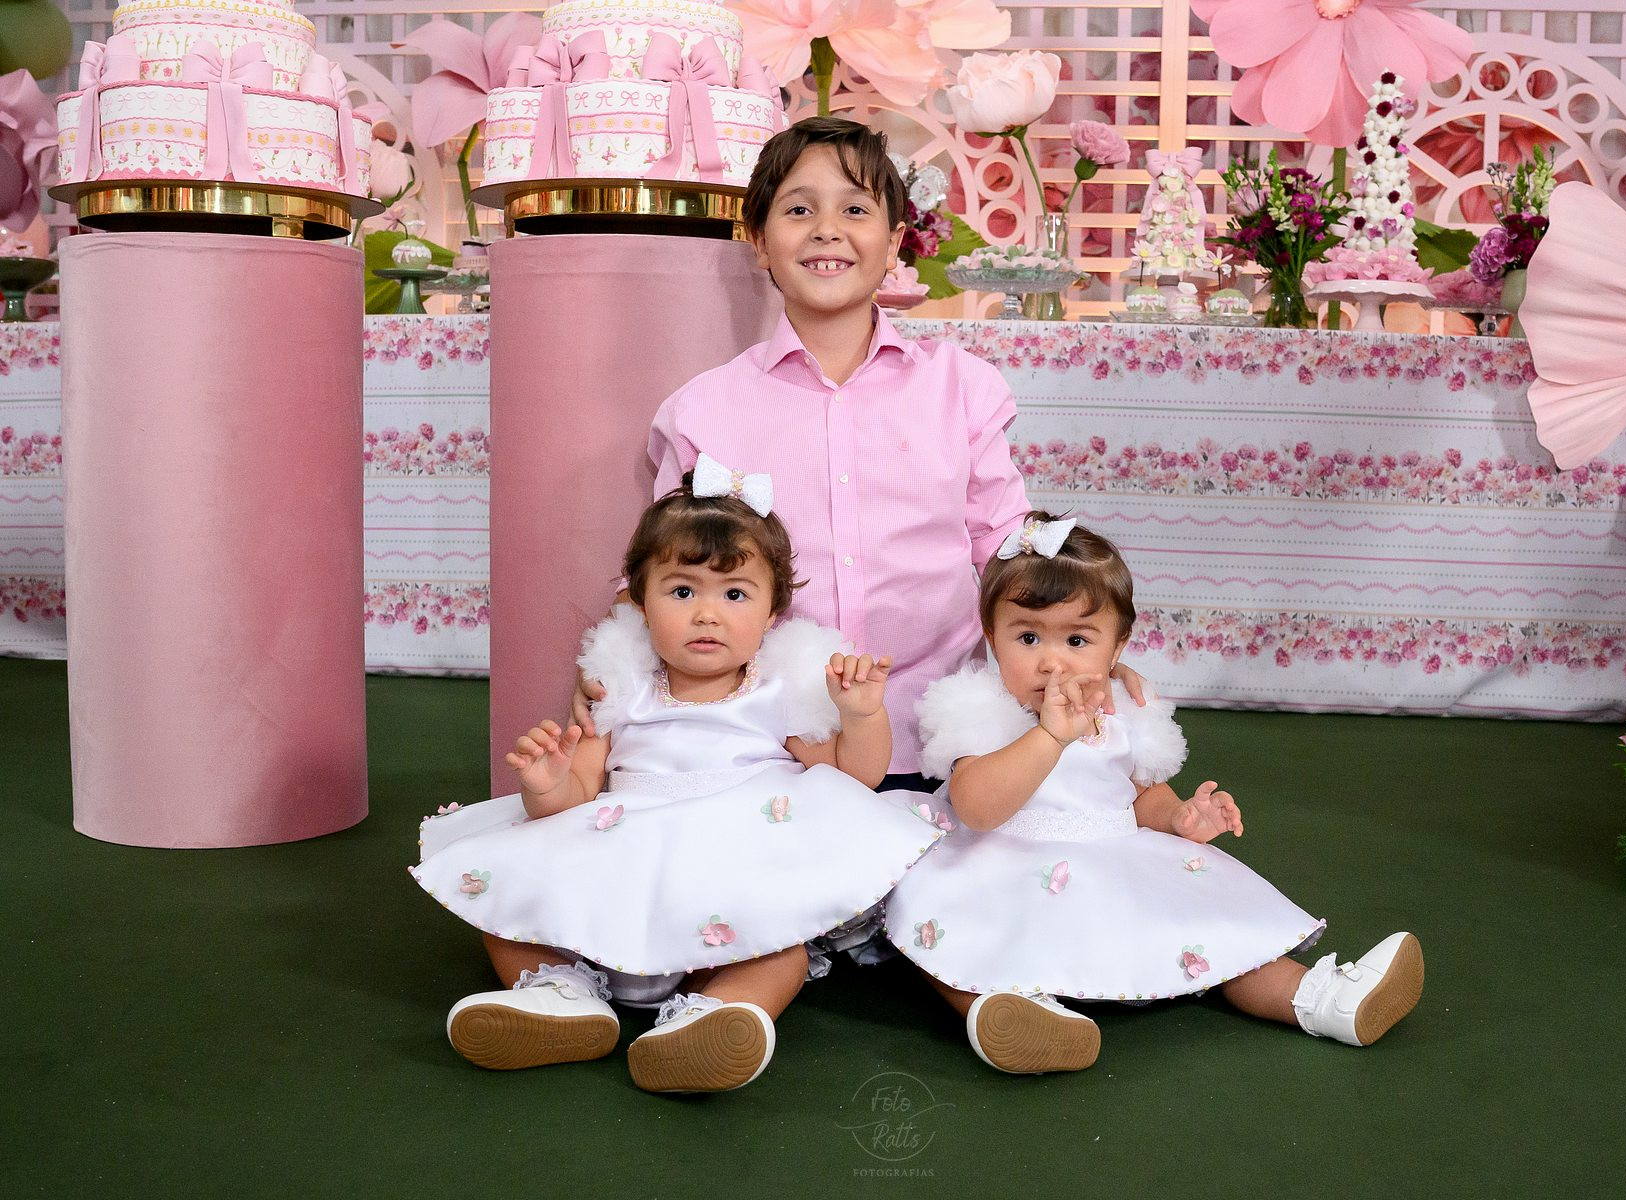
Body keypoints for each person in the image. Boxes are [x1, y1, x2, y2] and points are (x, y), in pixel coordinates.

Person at [570, 116, 1147, 796]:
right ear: (759, 241)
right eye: (798, 210)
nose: (826, 230)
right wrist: (610, 666)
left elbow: (1010, 549)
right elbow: (667, 563)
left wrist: (1083, 649)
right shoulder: (703, 409)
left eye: (854, 209)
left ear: (894, 241)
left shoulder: (962, 387)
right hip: (775, 739)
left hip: (945, 731)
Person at [412, 460, 944, 1092]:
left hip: (739, 857)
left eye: (735, 594)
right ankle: (561, 993)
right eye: (683, 592)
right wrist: (547, 783)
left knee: (781, 946)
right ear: (640, 603)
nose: (707, 615)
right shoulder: (621, 687)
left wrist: (861, 716)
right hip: (626, 845)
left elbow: (852, 778)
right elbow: (576, 794)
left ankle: (716, 1015)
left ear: (773, 612)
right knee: (506, 898)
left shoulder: (778, 690)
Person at [885, 513, 1425, 1073]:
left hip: (1113, 858)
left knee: (1219, 933)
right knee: (955, 937)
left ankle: (1322, 1000)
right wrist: (1048, 736)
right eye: (1027, 638)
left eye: (1077, 640)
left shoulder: (1124, 710)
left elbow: (1142, 795)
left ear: (1117, 647)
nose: (1051, 661)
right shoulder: (980, 706)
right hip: (1002, 861)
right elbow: (977, 807)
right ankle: (1021, 1016)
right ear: (991, 636)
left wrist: (1182, 816)